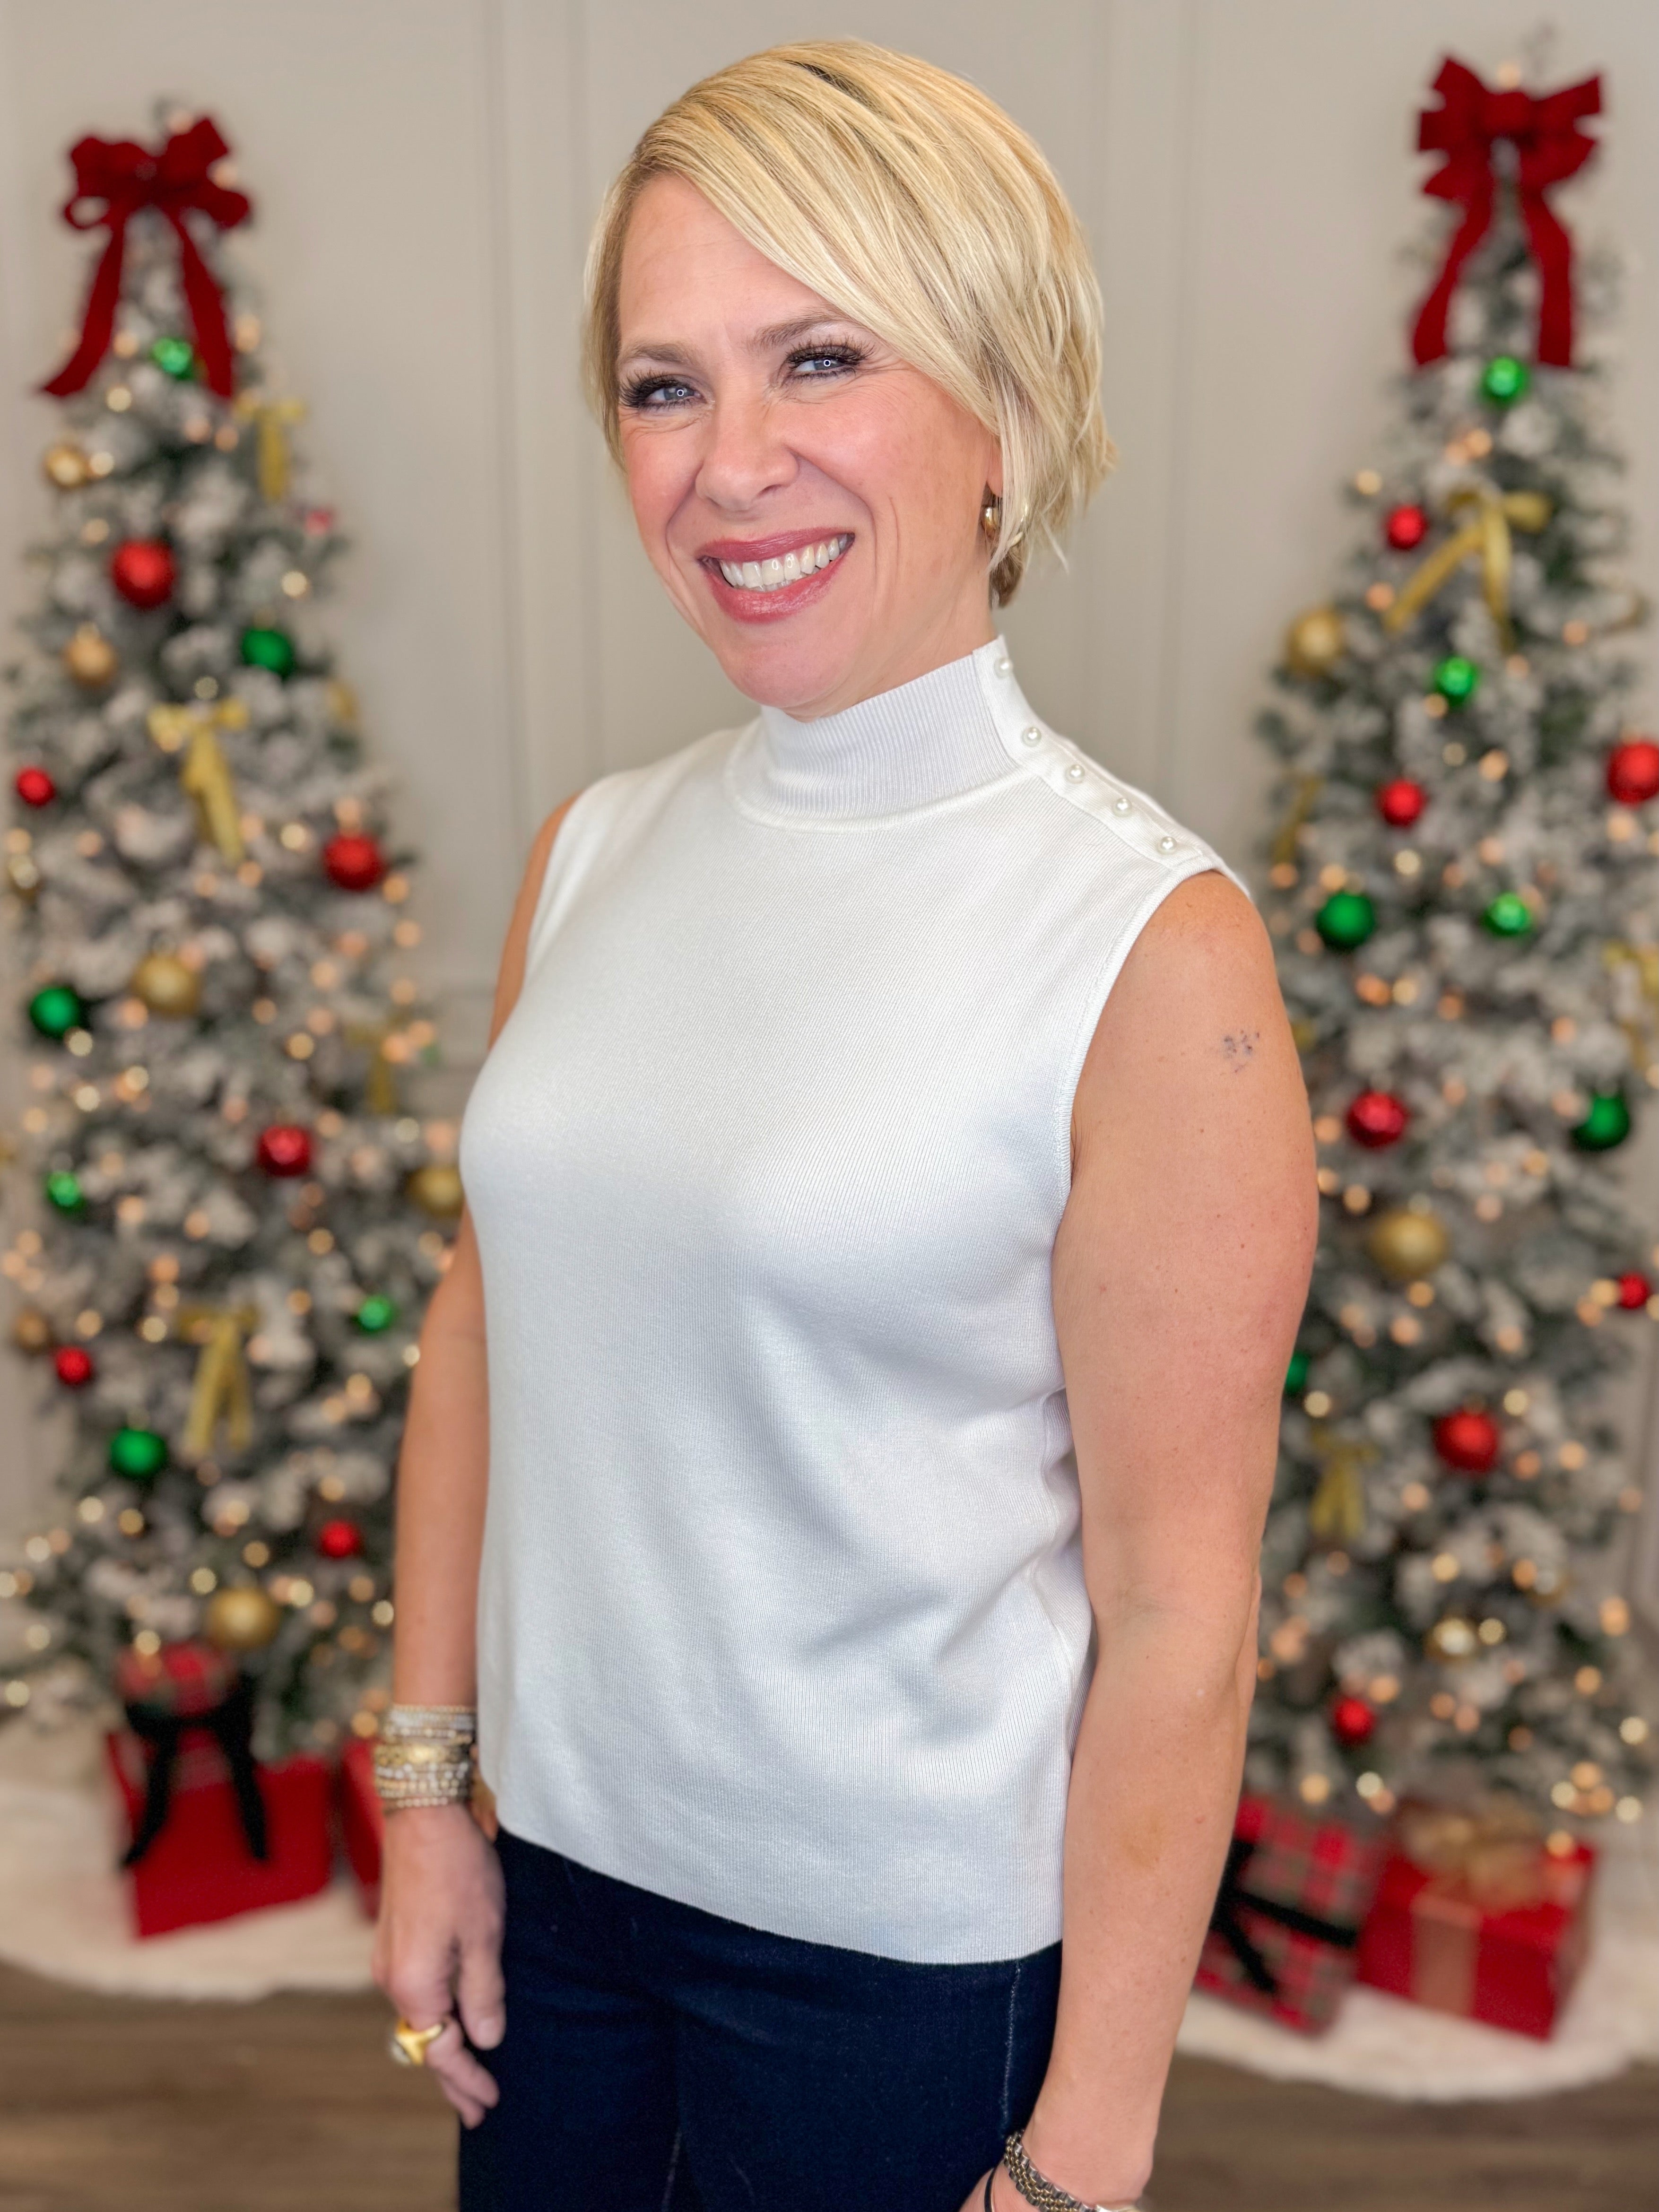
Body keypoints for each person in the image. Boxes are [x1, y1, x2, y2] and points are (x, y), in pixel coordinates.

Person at [373, 39, 1316, 2212]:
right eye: (663, 384)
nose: (731, 465)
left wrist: (1084, 2152)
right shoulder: (593, 853)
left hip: (892, 1977)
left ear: (1002, 405)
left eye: (819, 357)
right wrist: (427, 1789)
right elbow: (482, 1330)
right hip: (559, 1904)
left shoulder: (1142, 946)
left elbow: (1180, 1609)